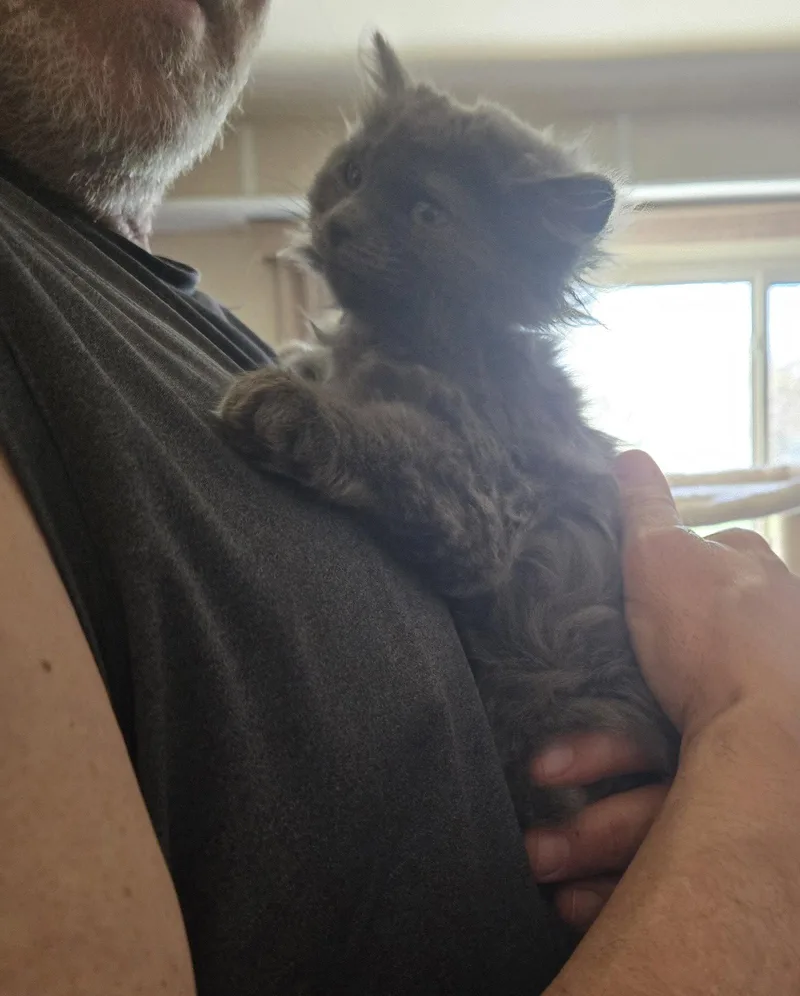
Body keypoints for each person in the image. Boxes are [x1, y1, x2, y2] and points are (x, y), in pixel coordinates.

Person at [0, 2, 798, 993]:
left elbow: (478, 520)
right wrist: (764, 757)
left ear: (524, 261)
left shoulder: (476, 384)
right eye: (351, 178)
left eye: (419, 211)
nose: (344, 218)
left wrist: (717, 801)